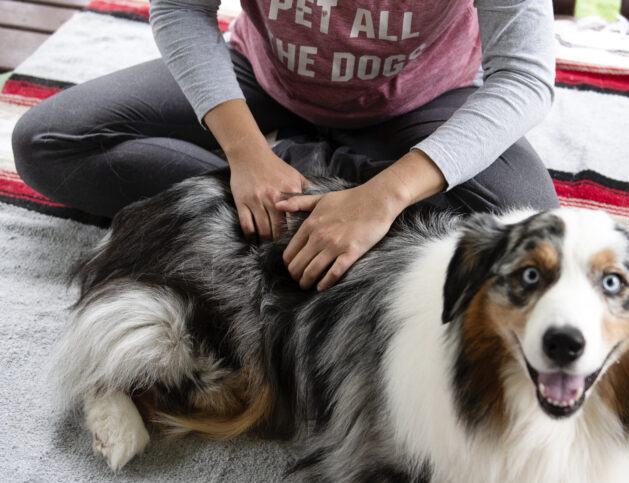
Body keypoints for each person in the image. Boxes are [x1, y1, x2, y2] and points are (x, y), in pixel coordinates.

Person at [12, 0, 558, 291]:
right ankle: (302, 190)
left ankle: (309, 180)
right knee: (49, 143)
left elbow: (525, 78)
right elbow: (181, 8)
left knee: (530, 227)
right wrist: (246, 154)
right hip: (261, 80)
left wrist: (386, 195)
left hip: (426, 100)